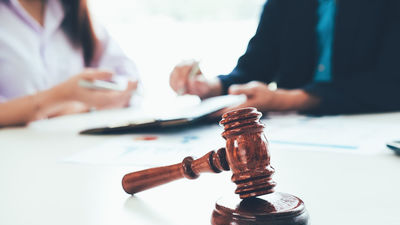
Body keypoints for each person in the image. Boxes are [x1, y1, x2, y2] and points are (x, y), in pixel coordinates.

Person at [170, 0, 400, 115]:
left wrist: (287, 100)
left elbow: (390, 84)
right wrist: (211, 87)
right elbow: (254, 68)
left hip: (372, 126)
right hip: (296, 137)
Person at [0, 0, 140, 127]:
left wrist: (81, 106)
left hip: (75, 146)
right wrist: (58, 98)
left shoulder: (72, 10)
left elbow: (130, 83)